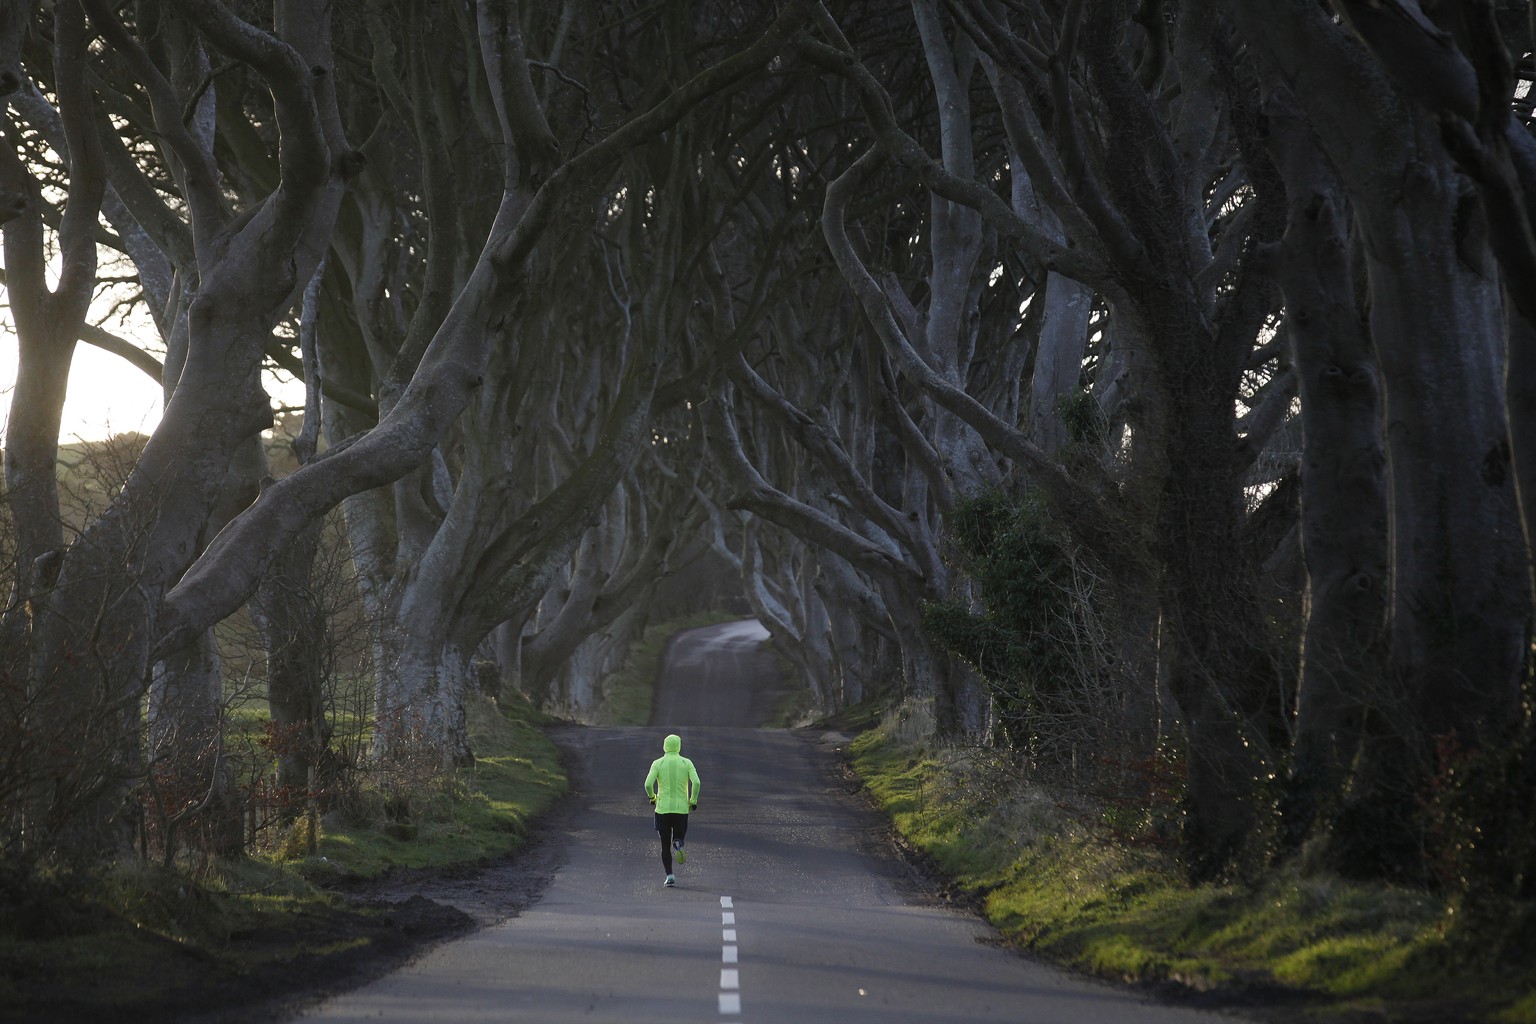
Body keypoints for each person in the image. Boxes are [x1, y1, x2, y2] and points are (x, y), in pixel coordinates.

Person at [644, 733, 700, 888]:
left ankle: (669, 876)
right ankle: (678, 842)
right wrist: (693, 800)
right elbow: (696, 782)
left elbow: (648, 784)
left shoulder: (657, 763)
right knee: (679, 835)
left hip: (662, 809)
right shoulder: (686, 762)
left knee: (664, 845)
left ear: (664, 746)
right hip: (681, 809)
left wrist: (652, 797)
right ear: (679, 747)